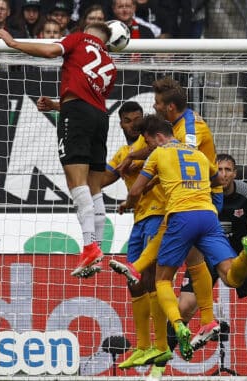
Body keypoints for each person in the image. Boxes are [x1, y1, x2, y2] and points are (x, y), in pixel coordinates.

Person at [119, 114, 247, 360]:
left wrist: (129, 202)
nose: (149, 148)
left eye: (149, 142)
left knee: (162, 280)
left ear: (158, 137)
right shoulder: (198, 154)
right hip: (209, 216)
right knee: (230, 276)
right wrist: (217, 203)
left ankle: (178, 325)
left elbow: (135, 190)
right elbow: (217, 181)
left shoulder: (159, 153)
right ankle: (246, 255)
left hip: (181, 215)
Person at [0, 20, 116, 278]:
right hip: (99, 119)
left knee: (76, 181)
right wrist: (58, 105)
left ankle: (89, 246)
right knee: (95, 187)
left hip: (78, 116)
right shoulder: (110, 64)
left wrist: (13, 43)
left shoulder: (80, 39)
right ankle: (99, 249)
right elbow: (90, 99)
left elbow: (50, 51)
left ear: (86, 31)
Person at [113, 77, 223, 348]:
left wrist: (141, 177)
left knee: (165, 276)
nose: (155, 105)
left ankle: (171, 330)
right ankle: (207, 320)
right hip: (199, 202)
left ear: (170, 106)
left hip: (201, 198)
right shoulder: (177, 128)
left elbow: (179, 165)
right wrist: (134, 157)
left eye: (158, 103)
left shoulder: (189, 130)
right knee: (201, 264)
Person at [177, 154, 247, 381]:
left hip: (243, 254)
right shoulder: (203, 194)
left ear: (235, 173)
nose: (223, 174)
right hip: (207, 254)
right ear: (213, 172)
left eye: (228, 169)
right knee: (184, 307)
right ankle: (158, 368)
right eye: (219, 169)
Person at [99, 102, 172, 381]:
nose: (133, 124)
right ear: (121, 124)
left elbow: (161, 150)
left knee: (152, 277)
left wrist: (131, 161)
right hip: (139, 220)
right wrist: (84, 180)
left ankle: (159, 346)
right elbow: (106, 177)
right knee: (135, 280)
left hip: (160, 214)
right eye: (128, 120)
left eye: (137, 119)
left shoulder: (153, 142)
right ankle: (143, 345)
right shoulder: (122, 153)